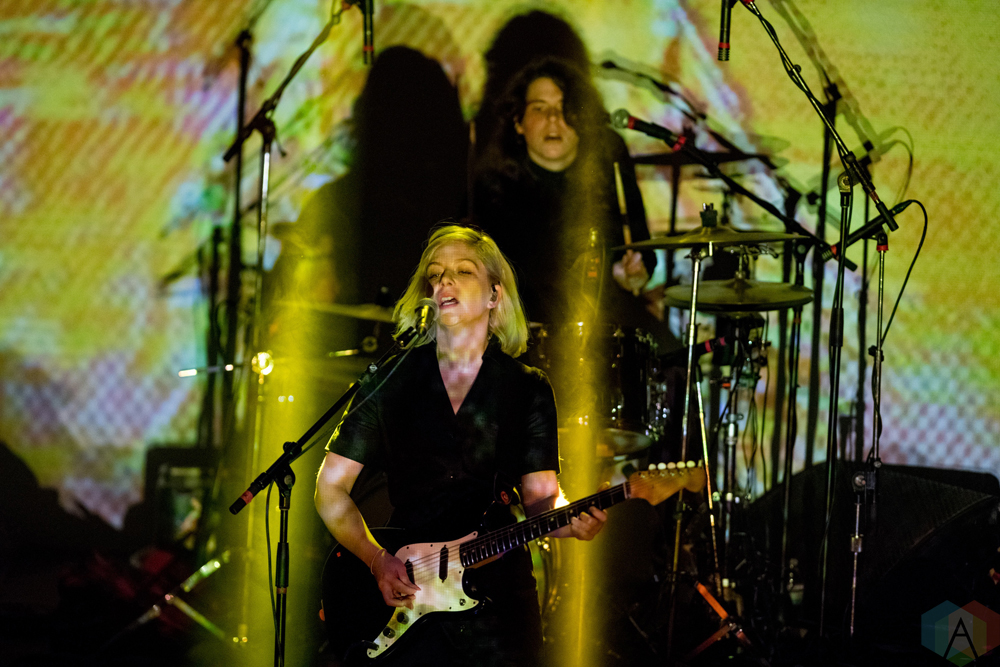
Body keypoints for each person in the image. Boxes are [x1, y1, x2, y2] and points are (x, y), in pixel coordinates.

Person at [314, 225, 607, 666]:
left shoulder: (526, 388)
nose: (445, 280)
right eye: (435, 274)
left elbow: (541, 499)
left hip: (499, 597)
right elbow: (329, 488)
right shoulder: (391, 380)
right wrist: (376, 560)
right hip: (410, 589)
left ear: (494, 295)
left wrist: (571, 521)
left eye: (463, 271)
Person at [472, 56, 656, 327]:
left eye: (564, 107)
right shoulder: (492, 188)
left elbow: (641, 247)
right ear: (518, 121)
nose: (553, 118)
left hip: (601, 330)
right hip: (522, 334)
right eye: (539, 108)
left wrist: (633, 274)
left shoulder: (611, 165)